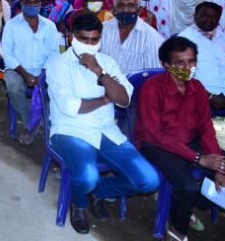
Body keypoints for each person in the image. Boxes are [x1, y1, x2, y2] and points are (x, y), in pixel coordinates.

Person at [46, 14, 159, 234]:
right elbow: (71, 107)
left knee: (148, 180)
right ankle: (79, 204)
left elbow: (124, 99)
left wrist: (100, 72)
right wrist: (106, 98)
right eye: (84, 39)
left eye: (94, 39)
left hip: (107, 131)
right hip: (70, 131)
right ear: (72, 37)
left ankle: (100, 192)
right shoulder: (57, 63)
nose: (89, 44)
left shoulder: (107, 63)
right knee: (88, 176)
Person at [135, 36, 225, 241]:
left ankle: (187, 205)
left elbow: (205, 127)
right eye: (180, 63)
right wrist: (198, 158)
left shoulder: (197, 88)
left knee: (223, 169)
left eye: (191, 61)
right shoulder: (152, 88)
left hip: (187, 140)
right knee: (187, 186)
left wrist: (219, 167)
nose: (188, 67)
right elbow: (155, 135)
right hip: (155, 145)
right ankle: (177, 231)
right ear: (167, 65)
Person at [1, 0, 59, 145]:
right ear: (21, 3)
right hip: (17, 69)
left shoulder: (50, 26)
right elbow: (7, 54)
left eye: (36, 2)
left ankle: (49, 124)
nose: (32, 5)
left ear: (41, 3)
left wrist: (44, 74)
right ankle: (30, 125)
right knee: (13, 87)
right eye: (28, 2)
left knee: (56, 89)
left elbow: (54, 54)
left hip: (43, 70)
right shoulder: (12, 25)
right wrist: (25, 74)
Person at [100, 0, 163, 75]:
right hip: (102, 80)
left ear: (139, 10)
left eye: (131, 5)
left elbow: (154, 75)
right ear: (114, 9)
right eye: (121, 5)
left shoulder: (151, 38)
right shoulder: (102, 29)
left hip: (136, 83)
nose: (125, 10)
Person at [179, 2, 225, 111]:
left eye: (214, 17)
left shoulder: (222, 38)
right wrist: (209, 96)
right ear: (195, 15)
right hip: (202, 100)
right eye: (205, 15)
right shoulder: (184, 39)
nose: (209, 19)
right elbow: (178, 75)